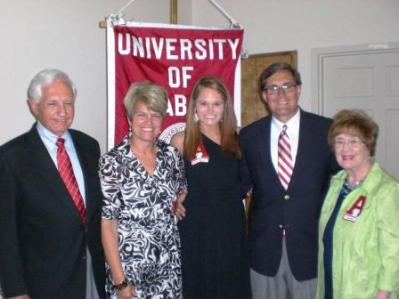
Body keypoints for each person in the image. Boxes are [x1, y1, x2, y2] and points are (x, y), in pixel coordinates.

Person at [0, 69, 106, 299]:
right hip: (43, 284)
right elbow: (6, 233)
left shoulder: (89, 146)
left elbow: (99, 210)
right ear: (33, 105)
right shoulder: (11, 158)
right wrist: (16, 291)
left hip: (93, 276)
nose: (63, 111)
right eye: (53, 103)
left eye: (69, 103)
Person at [239, 62, 339, 299]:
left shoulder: (326, 130)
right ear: (264, 96)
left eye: (287, 86)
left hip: (310, 248)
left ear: (299, 89)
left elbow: (343, 179)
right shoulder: (249, 136)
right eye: (272, 88)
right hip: (264, 251)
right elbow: (239, 185)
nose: (280, 94)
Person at [99, 81, 187, 299]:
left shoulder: (172, 156)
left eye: (156, 114)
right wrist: (120, 282)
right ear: (129, 119)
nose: (149, 121)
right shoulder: (112, 162)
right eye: (141, 115)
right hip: (130, 272)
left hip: (168, 270)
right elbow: (108, 224)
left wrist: (177, 204)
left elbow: (181, 188)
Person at [171, 76, 250, 299]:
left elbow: (249, 181)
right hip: (195, 229)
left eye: (216, 103)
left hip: (230, 228)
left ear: (225, 106)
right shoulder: (181, 139)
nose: (209, 110)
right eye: (204, 103)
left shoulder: (239, 139)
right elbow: (167, 186)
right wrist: (173, 202)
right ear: (194, 104)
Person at [316, 109, 399, 299]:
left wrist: (382, 295)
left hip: (367, 293)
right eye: (340, 141)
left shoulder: (386, 190)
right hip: (332, 286)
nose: (345, 149)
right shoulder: (336, 184)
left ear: (369, 146)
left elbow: (394, 254)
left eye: (354, 141)